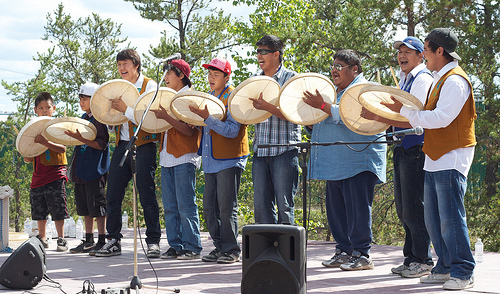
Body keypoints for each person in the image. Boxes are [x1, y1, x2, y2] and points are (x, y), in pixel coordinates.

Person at [382, 28, 476, 290]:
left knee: (451, 219)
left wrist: (407, 114)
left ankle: (463, 271)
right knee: (434, 219)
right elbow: (430, 116)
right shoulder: (440, 78)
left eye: (426, 49)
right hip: (435, 156)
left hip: (452, 156)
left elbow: (441, 118)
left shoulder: (455, 81)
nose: (423, 54)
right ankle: (444, 267)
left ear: (439, 52)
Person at [302, 49, 387, 271]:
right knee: (336, 210)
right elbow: (326, 118)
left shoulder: (364, 89)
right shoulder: (334, 92)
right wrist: (312, 122)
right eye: (333, 66)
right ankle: (343, 250)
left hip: (358, 160)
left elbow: (353, 115)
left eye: (339, 66)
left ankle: (362, 254)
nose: (334, 70)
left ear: (355, 69)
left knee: (357, 209)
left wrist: (322, 106)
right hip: (335, 162)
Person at [363, 37, 434, 277]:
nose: (401, 56)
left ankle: (423, 260)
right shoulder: (406, 79)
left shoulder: (422, 79)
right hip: (403, 148)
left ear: (420, 56)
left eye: (407, 52)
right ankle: (411, 258)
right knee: (405, 208)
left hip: (416, 148)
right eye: (399, 52)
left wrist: (379, 118)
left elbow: (415, 118)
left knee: (415, 207)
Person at [96, 49, 162, 258]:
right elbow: (115, 124)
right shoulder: (117, 88)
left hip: (144, 143)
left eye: (125, 64)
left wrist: (124, 109)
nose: (121, 68)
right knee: (113, 192)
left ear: (136, 65)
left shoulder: (149, 85)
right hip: (123, 143)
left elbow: (147, 116)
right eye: (118, 65)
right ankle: (113, 239)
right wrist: (111, 120)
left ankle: (153, 241)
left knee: (146, 192)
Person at [189, 57, 249, 264]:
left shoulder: (234, 98)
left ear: (227, 76)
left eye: (216, 74)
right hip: (211, 160)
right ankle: (219, 246)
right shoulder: (208, 97)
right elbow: (206, 128)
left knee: (226, 206)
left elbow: (233, 131)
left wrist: (207, 119)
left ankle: (232, 249)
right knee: (209, 207)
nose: (211, 78)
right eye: (209, 74)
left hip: (230, 160)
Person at [151, 59, 203, 260]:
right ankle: (175, 244)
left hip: (185, 157)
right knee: (170, 206)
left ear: (181, 75)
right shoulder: (167, 97)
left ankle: (192, 245)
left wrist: (166, 117)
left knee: (185, 204)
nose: (165, 77)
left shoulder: (189, 97)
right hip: (167, 157)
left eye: (169, 73)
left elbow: (190, 132)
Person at [249, 35, 300, 225]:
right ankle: (266, 252)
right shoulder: (254, 80)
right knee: (261, 207)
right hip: (260, 150)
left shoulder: (291, 78)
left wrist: (268, 107)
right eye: (257, 52)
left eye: (264, 51)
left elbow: (296, 116)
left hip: (284, 151)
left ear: (276, 54)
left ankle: (286, 254)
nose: (259, 56)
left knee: (285, 207)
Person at [65, 82, 110, 255]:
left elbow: (101, 144)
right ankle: (89, 239)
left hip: (94, 170)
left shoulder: (99, 119)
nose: (81, 101)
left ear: (95, 99)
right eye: (80, 98)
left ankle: (101, 239)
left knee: (98, 207)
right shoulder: (83, 118)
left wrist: (81, 139)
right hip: (81, 170)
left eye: (85, 98)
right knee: (84, 207)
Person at [25, 92, 69, 252]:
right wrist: (26, 156)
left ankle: (61, 239)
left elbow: (63, 148)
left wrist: (45, 142)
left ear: (54, 108)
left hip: (55, 174)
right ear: (36, 110)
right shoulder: (32, 129)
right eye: (41, 108)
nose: (44, 111)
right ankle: (42, 238)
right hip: (38, 175)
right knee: (39, 209)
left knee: (58, 208)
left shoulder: (57, 126)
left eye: (48, 107)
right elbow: (29, 153)